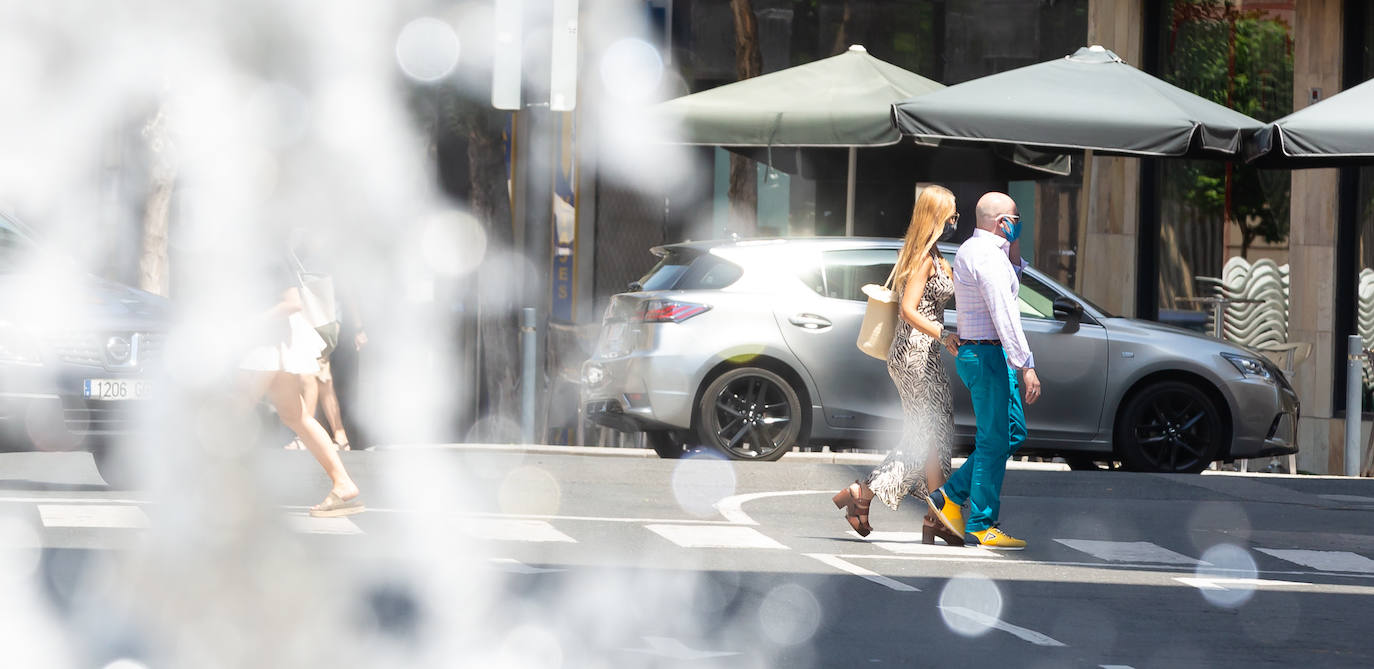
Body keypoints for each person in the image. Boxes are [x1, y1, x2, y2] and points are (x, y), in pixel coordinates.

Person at [833, 184, 964, 545]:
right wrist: (942, 332)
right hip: (915, 355)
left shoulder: (935, 255)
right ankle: (867, 492)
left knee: (934, 435)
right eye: (951, 213)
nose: (956, 220)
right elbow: (908, 308)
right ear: (936, 217)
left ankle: (934, 514)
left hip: (923, 354)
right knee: (927, 435)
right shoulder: (922, 256)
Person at [926, 191, 1040, 550]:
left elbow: (1016, 278)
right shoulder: (984, 256)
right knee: (994, 441)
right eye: (1015, 218)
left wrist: (1014, 248)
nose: (1019, 224)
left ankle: (950, 495)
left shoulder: (991, 253)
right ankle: (980, 523)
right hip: (988, 354)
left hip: (990, 355)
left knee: (1012, 433)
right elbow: (1004, 313)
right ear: (999, 221)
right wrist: (1027, 365)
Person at [241, 252, 364, 518]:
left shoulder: (267, 250)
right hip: (273, 348)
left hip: (265, 347)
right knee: (296, 417)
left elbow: (292, 303)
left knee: (231, 414)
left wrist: (250, 323)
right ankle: (343, 482)